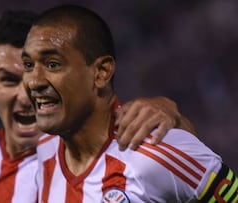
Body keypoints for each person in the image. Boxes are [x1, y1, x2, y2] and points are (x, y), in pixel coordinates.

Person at [0, 10, 196, 203]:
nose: (28, 91)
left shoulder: (114, 143)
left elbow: (184, 162)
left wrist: (171, 113)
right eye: (10, 80)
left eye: (50, 67)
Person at [21, 5, 238, 202]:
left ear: (101, 73)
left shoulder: (155, 153)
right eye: (29, 65)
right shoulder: (42, 151)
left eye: (52, 64)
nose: (34, 81)